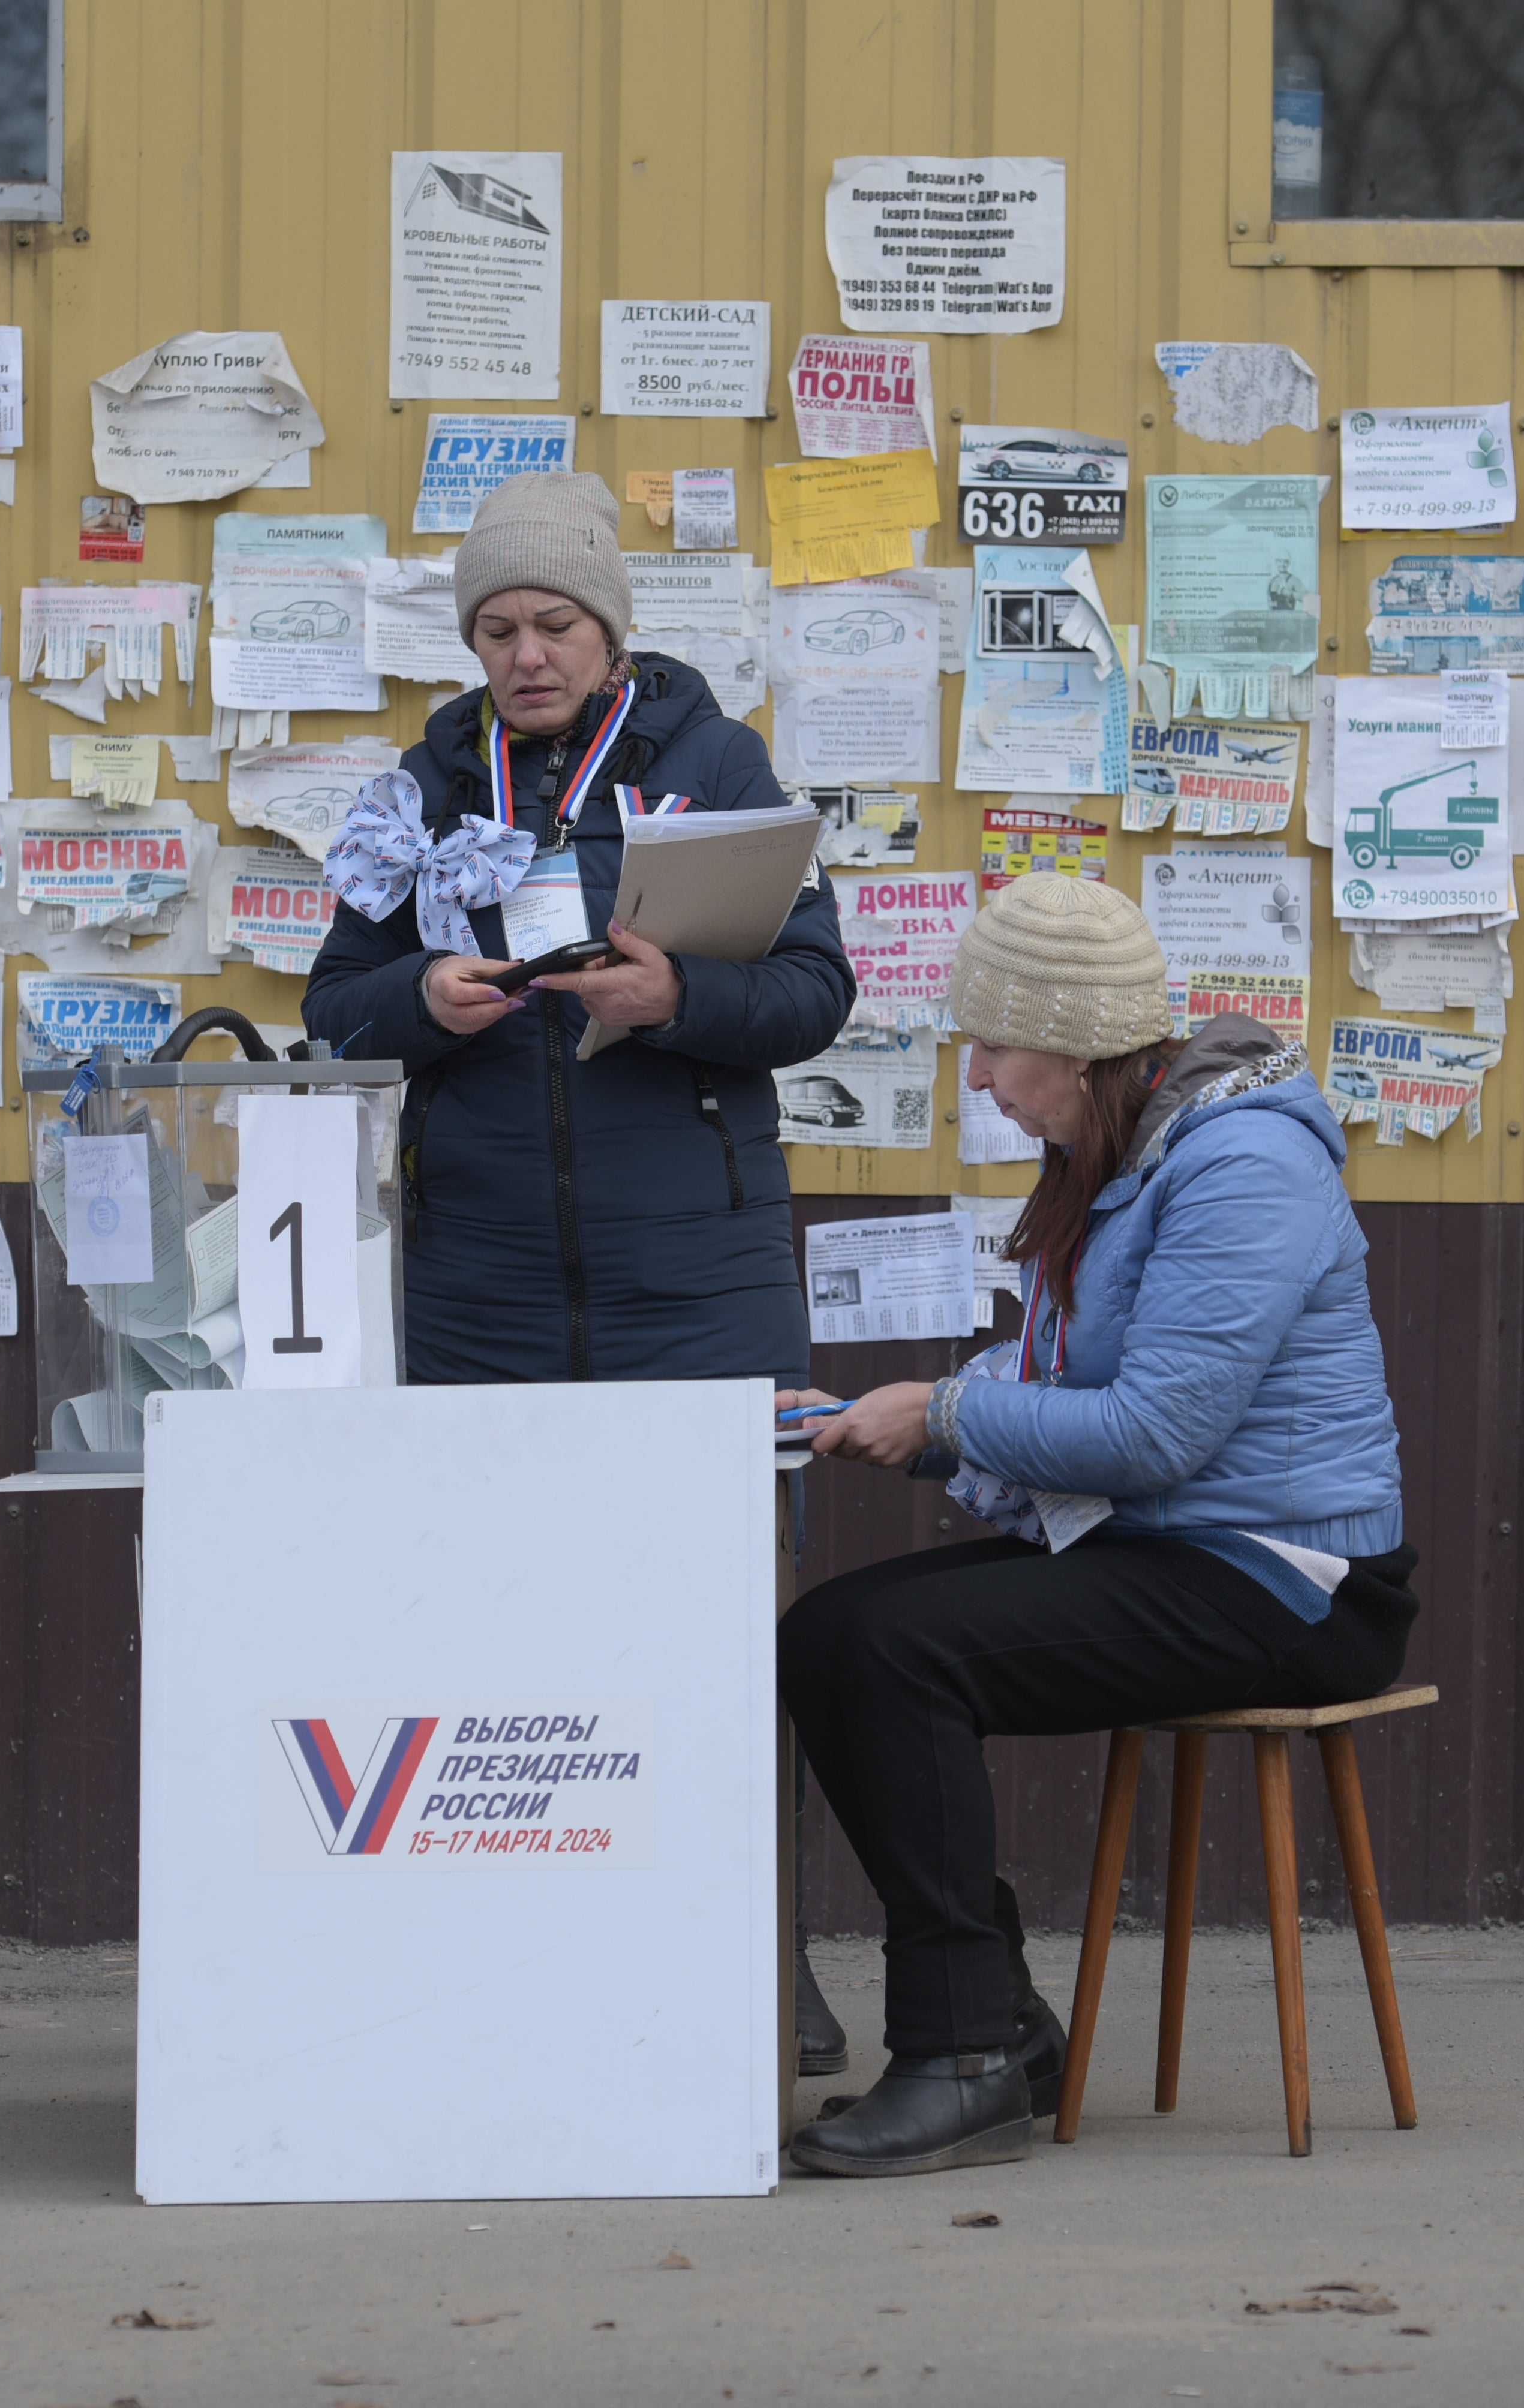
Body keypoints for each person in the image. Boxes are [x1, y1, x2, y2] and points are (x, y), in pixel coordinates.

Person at [303, 469, 865, 2070]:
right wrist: (424, 993)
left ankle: (767, 1970)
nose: (527, 654)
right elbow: (333, 1002)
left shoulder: (713, 764)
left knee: (723, 1632)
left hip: (697, 1275)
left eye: (553, 623)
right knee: (504, 1636)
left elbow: (816, 996)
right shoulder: (417, 789)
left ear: (610, 629)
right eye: (496, 628)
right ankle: (536, 1960)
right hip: (477, 1278)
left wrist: (676, 994)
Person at [775, 874, 1418, 2178]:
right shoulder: (1121, 1151)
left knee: (894, 1649)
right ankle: (996, 2027)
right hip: (1181, 1547)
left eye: (995, 1045)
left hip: (1295, 1582)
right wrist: (870, 1416)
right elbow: (1082, 1397)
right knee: (834, 1632)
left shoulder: (1242, 1164)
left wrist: (943, 1413)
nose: (981, 1075)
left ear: (1073, 1043)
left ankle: (959, 2054)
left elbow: (1148, 1435)